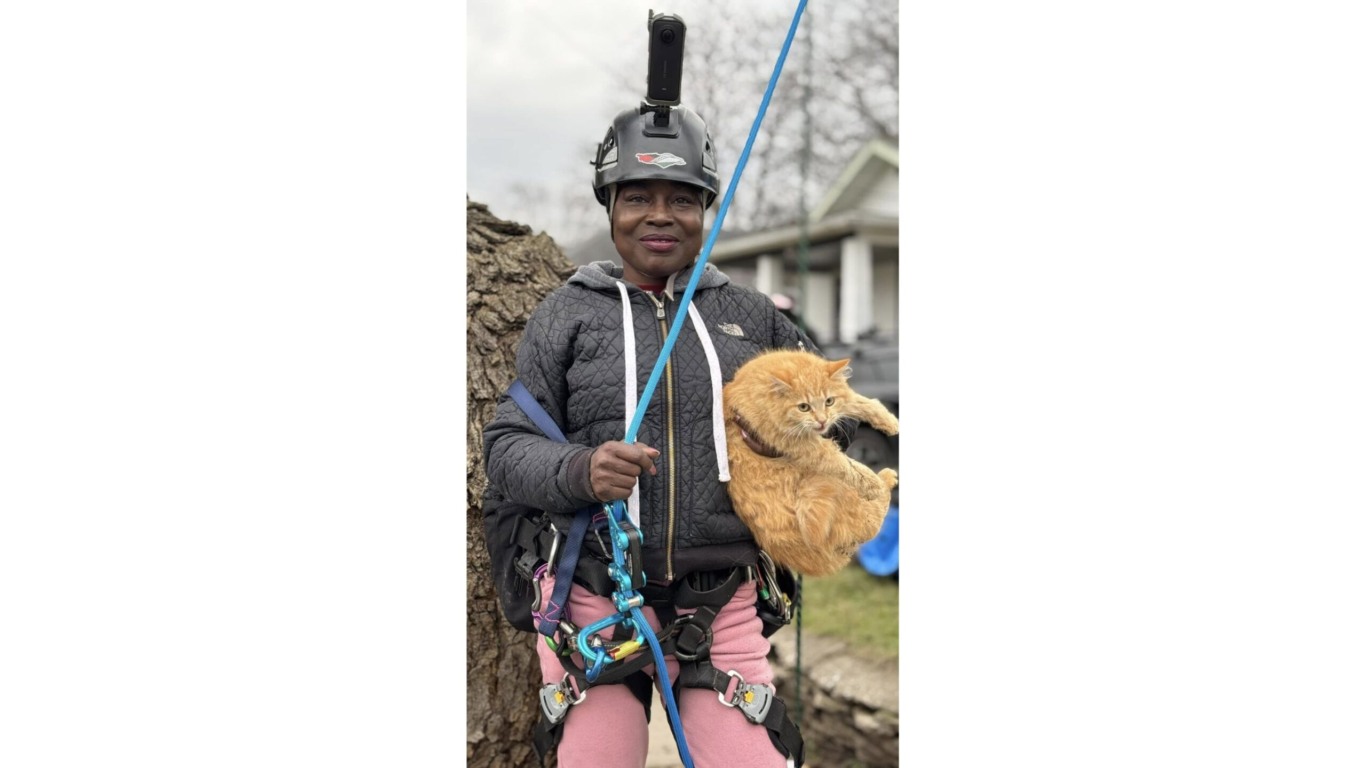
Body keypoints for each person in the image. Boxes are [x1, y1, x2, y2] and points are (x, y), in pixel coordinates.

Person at [482, 104, 811, 768]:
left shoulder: (749, 316)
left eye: (681, 199)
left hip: (721, 601)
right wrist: (579, 469)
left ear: (705, 209)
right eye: (638, 197)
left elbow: (835, 415)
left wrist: (797, 435)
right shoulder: (568, 315)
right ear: (610, 207)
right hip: (596, 600)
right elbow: (506, 446)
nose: (659, 215)